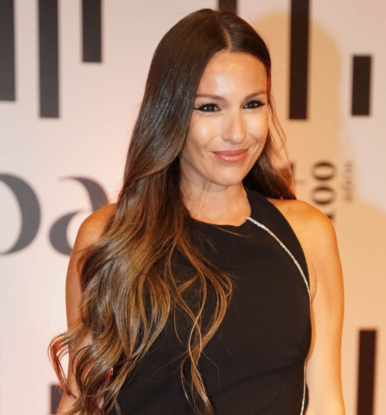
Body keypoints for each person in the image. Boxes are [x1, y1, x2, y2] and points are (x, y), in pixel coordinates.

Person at [50, 8, 345, 415]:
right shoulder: (109, 237)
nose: (237, 133)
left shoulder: (306, 235)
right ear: (170, 112)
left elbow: (326, 399)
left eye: (253, 104)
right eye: (209, 107)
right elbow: (83, 399)